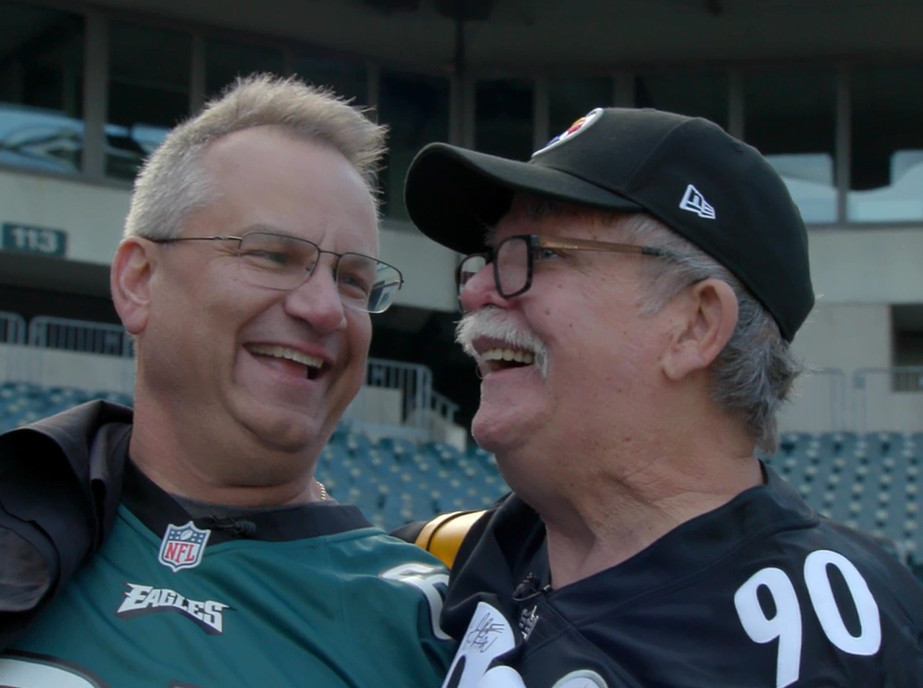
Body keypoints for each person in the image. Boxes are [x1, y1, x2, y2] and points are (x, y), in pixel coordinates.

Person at [402, 107, 923, 687]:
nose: (474, 291)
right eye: (487, 257)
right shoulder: (431, 566)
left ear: (694, 324)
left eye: (538, 252)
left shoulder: (847, 642)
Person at [0, 74, 455, 687]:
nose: (323, 309)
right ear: (139, 281)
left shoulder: (431, 625)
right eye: (271, 255)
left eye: (353, 280)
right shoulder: (21, 523)